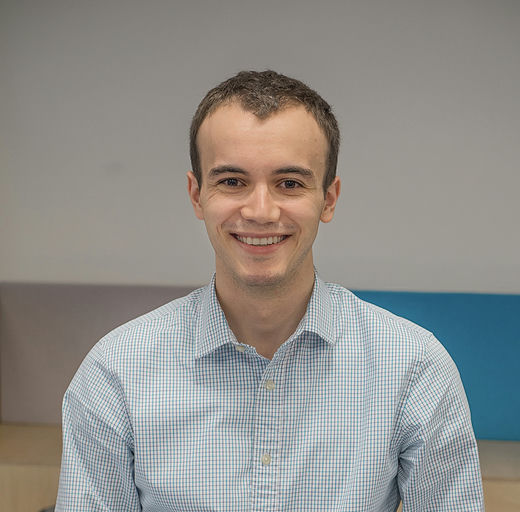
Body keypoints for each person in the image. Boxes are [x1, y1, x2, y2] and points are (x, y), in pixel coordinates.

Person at [56, 70, 484, 511]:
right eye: (232, 181)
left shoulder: (413, 369)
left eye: (290, 183)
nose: (261, 211)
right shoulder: (116, 373)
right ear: (197, 195)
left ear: (329, 198)